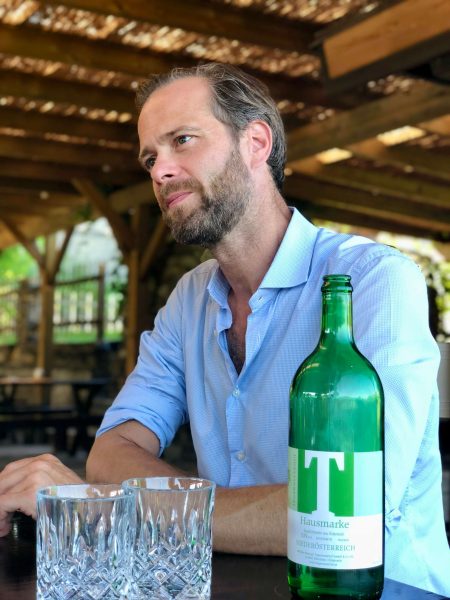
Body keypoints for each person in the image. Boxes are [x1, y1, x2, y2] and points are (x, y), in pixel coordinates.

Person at [0, 63, 449, 594]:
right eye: (150, 158)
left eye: (182, 140)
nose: (160, 172)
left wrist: (110, 507)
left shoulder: (370, 281)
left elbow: (347, 511)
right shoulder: (189, 299)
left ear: (255, 142)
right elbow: (111, 451)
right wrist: (176, 507)